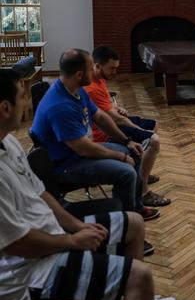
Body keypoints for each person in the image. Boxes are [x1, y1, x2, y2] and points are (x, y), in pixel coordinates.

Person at [0, 68, 176, 300]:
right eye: (22, 96)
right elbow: (19, 244)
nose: (27, 103)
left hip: (50, 234)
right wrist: (73, 240)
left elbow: (41, 193)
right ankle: (134, 290)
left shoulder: (8, 142)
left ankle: (133, 298)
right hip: (26, 275)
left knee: (134, 223)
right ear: (5, 108)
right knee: (140, 275)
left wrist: (76, 225)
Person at [31, 49, 160, 222]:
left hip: (79, 152)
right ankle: (127, 224)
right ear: (79, 74)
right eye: (91, 68)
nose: (94, 71)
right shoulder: (59, 106)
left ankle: (135, 208)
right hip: (66, 165)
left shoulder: (76, 89)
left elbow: (99, 116)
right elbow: (84, 149)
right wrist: (121, 156)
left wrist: (127, 141)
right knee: (126, 173)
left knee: (135, 152)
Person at [84, 45, 170, 208]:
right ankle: (143, 192)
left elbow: (107, 105)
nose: (115, 72)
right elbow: (116, 120)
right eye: (112, 68)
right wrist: (140, 131)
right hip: (103, 133)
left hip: (112, 121)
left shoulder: (99, 78)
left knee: (154, 125)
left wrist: (116, 107)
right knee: (154, 140)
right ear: (97, 66)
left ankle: (142, 174)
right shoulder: (91, 88)